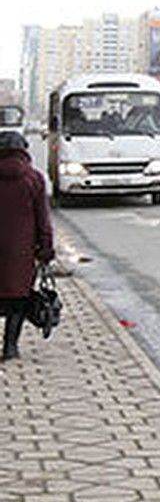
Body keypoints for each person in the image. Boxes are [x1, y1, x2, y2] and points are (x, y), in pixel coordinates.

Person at [0, 130, 54, 361]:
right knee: (18, 299)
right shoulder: (33, 178)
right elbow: (43, 218)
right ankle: (10, 346)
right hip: (20, 253)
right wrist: (45, 249)